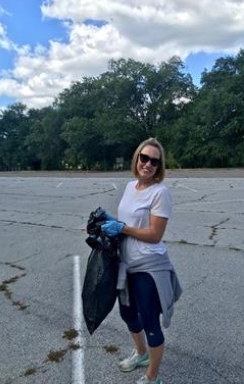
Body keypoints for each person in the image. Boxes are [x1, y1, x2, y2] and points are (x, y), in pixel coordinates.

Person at [101, 138, 181, 383]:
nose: (148, 164)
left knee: (150, 323)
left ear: (159, 166)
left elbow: (155, 234)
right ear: (136, 159)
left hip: (149, 267)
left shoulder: (160, 193)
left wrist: (122, 228)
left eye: (154, 161)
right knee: (128, 315)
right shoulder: (129, 186)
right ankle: (141, 353)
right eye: (143, 158)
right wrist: (107, 222)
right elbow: (128, 221)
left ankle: (152, 377)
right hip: (127, 264)